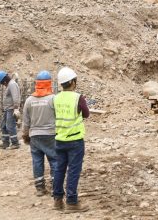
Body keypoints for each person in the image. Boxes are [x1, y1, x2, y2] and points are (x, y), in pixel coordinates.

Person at [52, 67, 90, 213]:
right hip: (75, 140)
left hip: (59, 139)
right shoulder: (77, 97)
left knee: (59, 169)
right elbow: (86, 114)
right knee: (73, 171)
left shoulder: (55, 98)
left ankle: (57, 201)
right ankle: (72, 202)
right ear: (73, 82)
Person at [21, 70, 57, 196]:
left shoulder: (29, 100)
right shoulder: (53, 99)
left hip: (35, 136)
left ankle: (40, 188)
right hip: (51, 135)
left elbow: (26, 121)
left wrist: (25, 135)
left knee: (37, 161)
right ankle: (55, 187)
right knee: (54, 159)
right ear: (49, 84)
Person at [0, 70, 20, 149]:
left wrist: (16, 109)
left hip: (11, 109)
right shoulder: (9, 84)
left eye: (1, 82)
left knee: (10, 126)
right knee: (3, 126)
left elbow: (15, 97)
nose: (2, 84)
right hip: (7, 109)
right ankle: (5, 142)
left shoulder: (12, 84)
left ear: (4, 80)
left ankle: (15, 143)